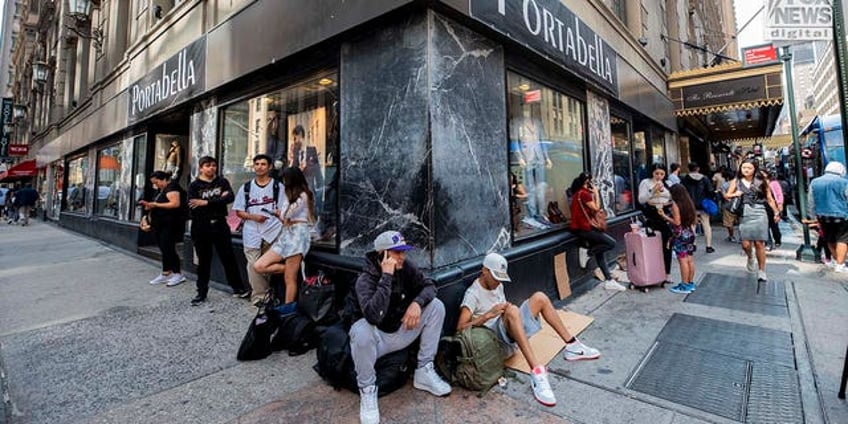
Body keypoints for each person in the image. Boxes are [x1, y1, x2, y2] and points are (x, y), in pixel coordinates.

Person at [457, 252, 600, 407]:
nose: (498, 282)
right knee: (512, 311)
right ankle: (537, 372)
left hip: (508, 335)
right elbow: (460, 329)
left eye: (501, 278)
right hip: (492, 343)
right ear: (484, 270)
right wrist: (487, 316)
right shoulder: (473, 294)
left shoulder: (498, 286)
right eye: (495, 277)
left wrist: (508, 312)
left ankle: (572, 345)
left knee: (540, 297)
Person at [349, 231, 451, 424]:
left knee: (436, 306)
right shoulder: (365, 280)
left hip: (402, 330)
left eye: (403, 251)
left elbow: (430, 285)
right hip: (377, 341)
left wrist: (417, 304)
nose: (402, 256)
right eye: (396, 253)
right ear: (383, 255)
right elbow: (373, 316)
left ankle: (424, 370)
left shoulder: (406, 268)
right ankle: (368, 389)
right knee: (361, 330)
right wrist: (386, 277)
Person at [187, 156, 250, 305]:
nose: (211, 168)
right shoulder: (194, 186)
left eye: (214, 165)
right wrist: (217, 201)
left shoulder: (222, 182)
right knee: (204, 261)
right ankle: (201, 293)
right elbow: (193, 207)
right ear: (201, 168)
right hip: (201, 226)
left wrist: (206, 202)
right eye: (207, 165)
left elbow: (230, 198)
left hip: (220, 224)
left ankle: (238, 289)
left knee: (228, 257)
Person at [254, 166, 314, 313]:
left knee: (290, 279)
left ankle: (288, 310)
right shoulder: (290, 195)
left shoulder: (303, 196)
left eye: (285, 179)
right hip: (287, 234)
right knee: (259, 265)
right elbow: (286, 217)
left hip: (298, 235)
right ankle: (291, 269)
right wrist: (281, 214)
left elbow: (288, 215)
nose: (284, 182)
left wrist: (281, 214)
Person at [233, 154, 286, 306]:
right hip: (252, 232)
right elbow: (238, 211)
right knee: (253, 265)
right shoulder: (246, 187)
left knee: (265, 265)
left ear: (269, 167)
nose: (259, 167)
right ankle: (260, 298)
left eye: (263, 164)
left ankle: (267, 293)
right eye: (257, 164)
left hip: (273, 231)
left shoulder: (278, 186)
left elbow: (283, 210)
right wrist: (253, 217)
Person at [568, 172, 626, 291]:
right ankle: (588, 253)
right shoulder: (584, 194)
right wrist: (596, 193)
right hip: (586, 229)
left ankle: (609, 280)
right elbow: (597, 208)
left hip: (580, 228)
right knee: (611, 243)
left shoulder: (576, 195)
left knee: (600, 255)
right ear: (587, 182)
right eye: (591, 182)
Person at [724, 159, 780, 282]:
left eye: (749, 168)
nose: (746, 170)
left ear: (754, 169)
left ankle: (762, 271)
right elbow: (727, 195)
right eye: (744, 167)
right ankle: (750, 256)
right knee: (745, 244)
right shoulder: (736, 181)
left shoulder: (761, 181)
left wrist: (776, 212)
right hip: (744, 212)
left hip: (760, 211)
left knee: (759, 243)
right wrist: (735, 194)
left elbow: (769, 198)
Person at [140, 171, 187, 287]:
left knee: (168, 247)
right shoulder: (160, 191)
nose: (156, 185)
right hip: (159, 223)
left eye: (157, 182)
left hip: (170, 223)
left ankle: (177, 273)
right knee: (163, 247)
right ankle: (166, 272)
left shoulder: (172, 187)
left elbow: (175, 203)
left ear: (164, 179)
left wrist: (155, 205)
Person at [808, 161, 848, 273]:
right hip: (842, 215)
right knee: (843, 239)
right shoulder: (844, 182)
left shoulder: (815, 182)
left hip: (822, 215)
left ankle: (837, 261)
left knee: (829, 238)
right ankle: (840, 264)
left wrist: (812, 216)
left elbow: (811, 201)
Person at [638, 163, 674, 284]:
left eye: (662, 174)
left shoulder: (668, 183)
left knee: (668, 243)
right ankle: (653, 272)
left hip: (665, 214)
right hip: (652, 215)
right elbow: (641, 199)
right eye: (656, 173)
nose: (659, 176)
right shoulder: (646, 182)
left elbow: (672, 198)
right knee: (652, 244)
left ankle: (667, 273)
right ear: (652, 173)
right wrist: (653, 190)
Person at [658, 185, 698, 294]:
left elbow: (677, 222)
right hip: (689, 232)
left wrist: (664, 216)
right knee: (689, 259)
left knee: (682, 260)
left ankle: (684, 285)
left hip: (680, 235)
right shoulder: (688, 203)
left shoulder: (676, 205)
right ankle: (690, 283)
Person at [682, 162, 715, 253]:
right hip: (703, 205)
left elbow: (683, 192)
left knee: (692, 225)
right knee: (706, 225)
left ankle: (693, 244)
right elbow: (710, 191)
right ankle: (708, 246)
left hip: (690, 205)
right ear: (698, 168)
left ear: (689, 169)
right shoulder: (704, 178)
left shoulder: (685, 179)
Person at [760, 170, 783, 250]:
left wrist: (780, 204)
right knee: (765, 226)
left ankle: (777, 239)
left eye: (763, 173)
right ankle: (768, 243)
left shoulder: (774, 183)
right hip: (763, 206)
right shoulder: (759, 183)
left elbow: (779, 194)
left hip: (773, 205)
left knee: (774, 225)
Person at [719, 169, 738, 243]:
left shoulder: (724, 185)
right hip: (739, 205)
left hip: (728, 205)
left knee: (729, 223)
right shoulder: (739, 184)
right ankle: (743, 237)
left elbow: (724, 196)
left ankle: (731, 236)